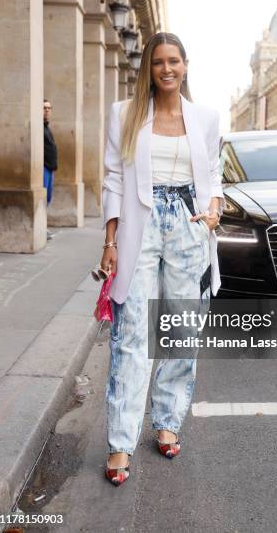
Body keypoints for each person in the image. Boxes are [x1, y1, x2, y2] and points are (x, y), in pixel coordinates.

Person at [101, 32, 224, 486]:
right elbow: (114, 176)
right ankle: (119, 442)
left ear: (186, 65)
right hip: (141, 223)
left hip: (189, 224)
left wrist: (212, 211)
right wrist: (110, 240)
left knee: (179, 328)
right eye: (158, 62)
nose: (167, 69)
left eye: (174, 61)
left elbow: (213, 173)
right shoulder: (125, 114)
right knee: (132, 334)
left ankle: (168, 419)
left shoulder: (205, 118)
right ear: (148, 69)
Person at [43, 99, 58, 239]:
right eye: (44, 108)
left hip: (49, 168)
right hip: (43, 167)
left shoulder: (46, 127)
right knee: (43, 198)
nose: (47, 110)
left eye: (49, 108)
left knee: (47, 197)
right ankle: (41, 228)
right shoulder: (40, 127)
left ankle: (42, 226)